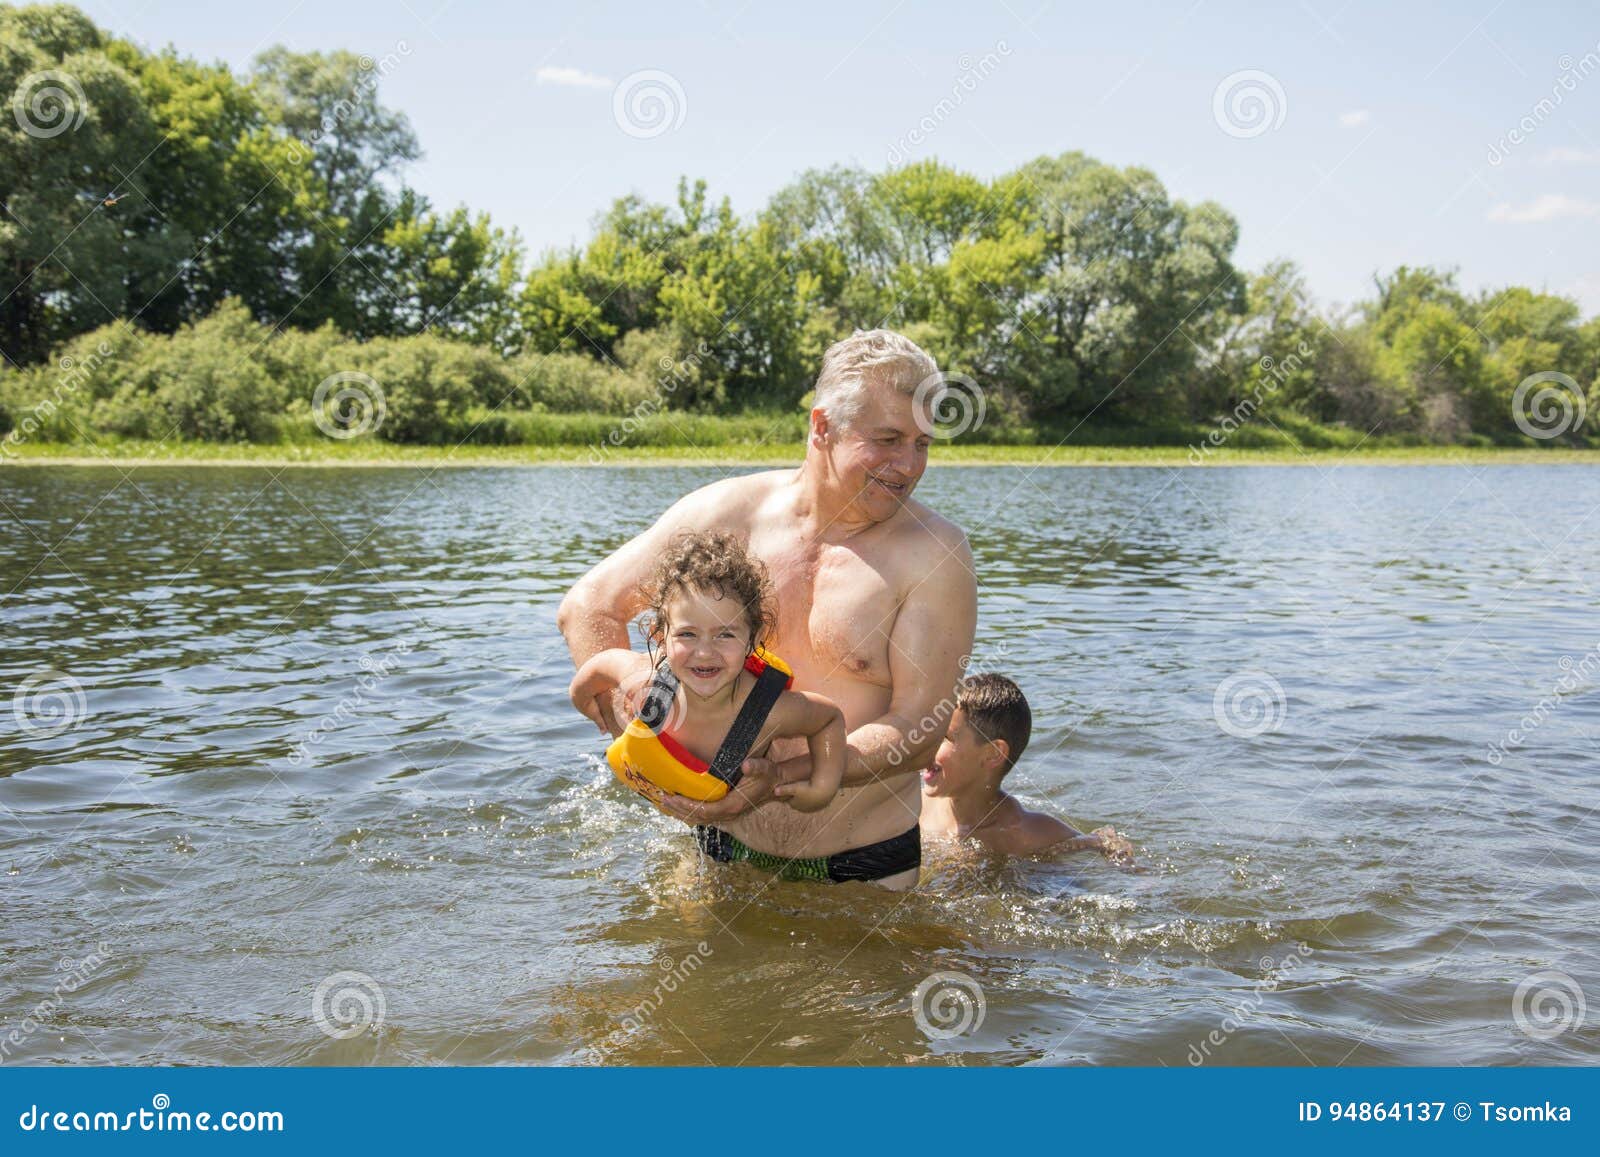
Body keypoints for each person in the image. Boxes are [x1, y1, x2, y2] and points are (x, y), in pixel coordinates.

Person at [560, 329, 977, 890]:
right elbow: (589, 606)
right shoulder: (728, 512)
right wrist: (639, 726)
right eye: (888, 439)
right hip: (719, 851)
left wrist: (782, 775)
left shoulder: (936, 555)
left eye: (923, 444)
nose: (907, 465)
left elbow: (920, 728)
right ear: (822, 426)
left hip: (861, 870)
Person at [569, 531, 845, 812]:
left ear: (755, 637)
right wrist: (589, 706)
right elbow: (597, 668)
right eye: (687, 634)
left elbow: (828, 720)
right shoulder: (645, 683)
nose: (704, 653)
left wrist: (822, 788)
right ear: (660, 637)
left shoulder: (771, 712)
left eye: (724, 635)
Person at [920, 674, 1135, 863]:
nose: (925, 744)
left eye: (945, 737)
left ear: (993, 753)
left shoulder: (1023, 833)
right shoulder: (913, 809)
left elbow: (1104, 843)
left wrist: (1136, 872)